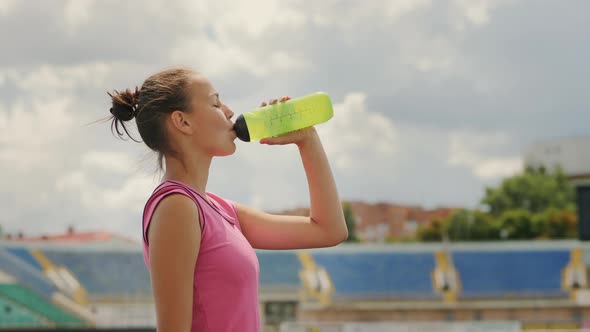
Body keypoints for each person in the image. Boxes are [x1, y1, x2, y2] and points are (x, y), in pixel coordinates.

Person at [107, 67, 348, 332]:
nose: (230, 111)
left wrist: (308, 140)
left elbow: (329, 230)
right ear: (182, 122)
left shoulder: (220, 209)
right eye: (215, 102)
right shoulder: (177, 207)